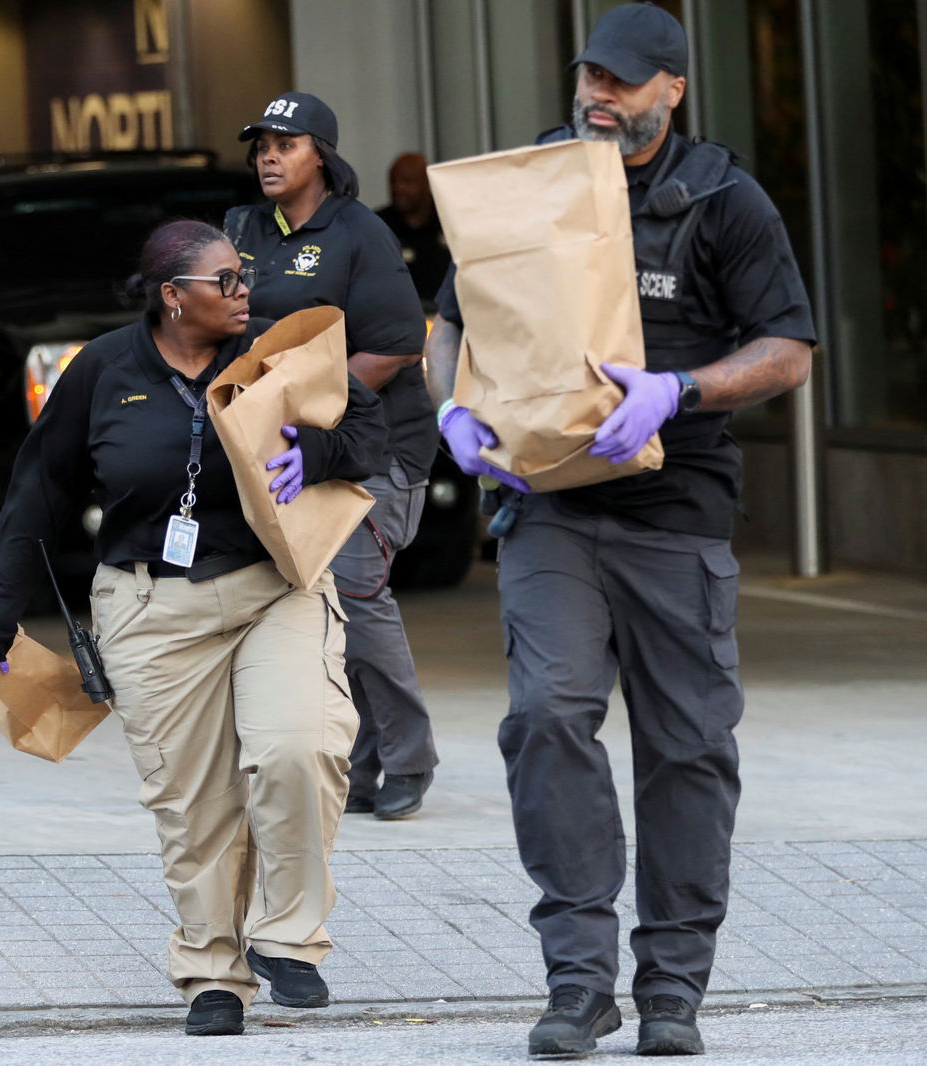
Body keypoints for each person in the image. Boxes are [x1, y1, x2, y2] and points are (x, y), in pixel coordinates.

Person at [424, 4, 815, 1056]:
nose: (598, 95)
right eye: (588, 76)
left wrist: (679, 388)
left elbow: (787, 350)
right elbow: (450, 313)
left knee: (686, 748)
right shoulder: (534, 181)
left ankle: (673, 988)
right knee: (546, 715)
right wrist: (451, 408)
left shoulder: (724, 200)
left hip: (676, 510)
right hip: (551, 509)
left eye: (622, 81)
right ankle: (577, 979)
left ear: (671, 90)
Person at [0, 220, 382, 1037]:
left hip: (278, 586)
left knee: (303, 746)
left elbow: (376, 432)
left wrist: (319, 454)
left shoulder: (278, 349)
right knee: (194, 804)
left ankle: (288, 939)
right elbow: (41, 490)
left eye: (244, 278)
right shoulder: (102, 369)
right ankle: (213, 974)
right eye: (224, 282)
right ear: (172, 297)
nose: (244, 293)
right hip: (152, 607)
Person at [223, 92, 440, 822]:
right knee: (310, 600)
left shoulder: (357, 232)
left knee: (352, 587)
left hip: (376, 447)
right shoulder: (242, 228)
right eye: (261, 145)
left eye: (286, 143)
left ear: (323, 154)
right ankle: (365, 754)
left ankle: (410, 755)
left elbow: (398, 346)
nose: (269, 156)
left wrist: (306, 398)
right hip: (286, 449)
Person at [374, 152, 452, 306]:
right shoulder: (377, 225)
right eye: (394, 182)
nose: (399, 188)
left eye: (408, 181)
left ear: (427, 183)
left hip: (447, 318)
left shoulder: (449, 221)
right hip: (397, 318)